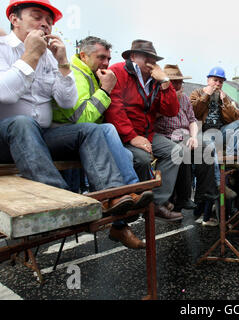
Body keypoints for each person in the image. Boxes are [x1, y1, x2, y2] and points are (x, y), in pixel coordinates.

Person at [0, 0, 134, 216]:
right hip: (5, 139)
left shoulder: (50, 57)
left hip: (41, 137)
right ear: (14, 19)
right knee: (22, 123)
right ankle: (60, 200)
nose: (45, 25)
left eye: (49, 21)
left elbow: (66, 101)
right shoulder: (3, 47)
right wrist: (31, 55)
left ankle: (112, 195)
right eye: (36, 17)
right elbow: (5, 93)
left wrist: (62, 62)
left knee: (90, 130)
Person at [52, 36, 152, 249]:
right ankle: (127, 194)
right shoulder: (76, 74)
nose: (106, 63)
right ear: (83, 56)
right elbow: (82, 120)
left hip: (89, 138)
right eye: (101, 57)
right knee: (105, 129)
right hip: (63, 137)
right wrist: (105, 90)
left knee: (121, 148)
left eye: (108, 57)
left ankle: (126, 201)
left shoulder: (92, 73)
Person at [104, 39, 184, 222]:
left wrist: (165, 82)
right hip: (121, 134)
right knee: (141, 158)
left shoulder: (156, 80)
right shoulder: (118, 71)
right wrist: (132, 137)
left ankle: (156, 203)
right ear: (133, 57)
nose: (151, 62)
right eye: (146, 57)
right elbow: (114, 108)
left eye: (153, 58)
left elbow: (171, 110)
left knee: (176, 151)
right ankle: (134, 206)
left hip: (146, 135)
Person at [153, 64, 218, 225]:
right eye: (174, 82)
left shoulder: (184, 98)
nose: (178, 85)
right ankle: (182, 198)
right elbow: (152, 119)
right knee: (184, 150)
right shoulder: (157, 97)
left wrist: (194, 136)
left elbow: (192, 120)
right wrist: (168, 100)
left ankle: (204, 194)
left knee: (205, 147)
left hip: (185, 134)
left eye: (180, 82)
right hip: (166, 136)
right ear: (165, 83)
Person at [190, 66, 239, 158]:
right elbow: (193, 112)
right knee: (211, 148)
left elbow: (233, 118)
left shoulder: (223, 96)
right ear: (208, 80)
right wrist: (206, 95)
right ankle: (216, 172)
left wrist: (225, 102)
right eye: (215, 80)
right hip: (203, 133)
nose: (218, 84)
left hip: (220, 132)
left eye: (221, 82)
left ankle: (231, 156)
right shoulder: (197, 93)